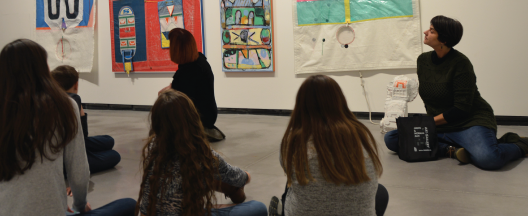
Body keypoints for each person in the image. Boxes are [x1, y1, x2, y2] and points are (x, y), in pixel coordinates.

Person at [0, 38, 135, 216]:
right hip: (51, 210)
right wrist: (80, 205)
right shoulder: (64, 105)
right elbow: (79, 172)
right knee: (129, 205)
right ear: (42, 69)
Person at [384, 15, 528, 170]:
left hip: (468, 122)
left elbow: (461, 109)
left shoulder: (461, 63)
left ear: (444, 40)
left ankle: (518, 144)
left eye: (431, 30)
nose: (425, 32)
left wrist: (428, 123)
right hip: (440, 124)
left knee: (489, 158)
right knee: (392, 138)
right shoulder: (423, 60)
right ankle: (450, 150)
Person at [136, 89, 267, 216]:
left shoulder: (152, 147)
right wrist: (248, 176)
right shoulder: (200, 153)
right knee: (257, 208)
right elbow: (238, 177)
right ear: (191, 118)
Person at [276, 75, 388, 216]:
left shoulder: (293, 141)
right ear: (339, 100)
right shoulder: (361, 135)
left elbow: (288, 170)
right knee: (381, 192)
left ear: (301, 104)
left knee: (290, 185)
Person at [157, 28, 225, 142]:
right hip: (209, 114)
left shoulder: (187, 70)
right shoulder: (200, 61)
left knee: (163, 100)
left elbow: (173, 91)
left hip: (200, 117)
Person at [51, 65, 121, 174]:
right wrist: (80, 112)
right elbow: (81, 136)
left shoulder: (49, 98)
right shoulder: (73, 98)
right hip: (68, 154)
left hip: (62, 145)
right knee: (114, 155)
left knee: (108, 140)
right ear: (76, 84)